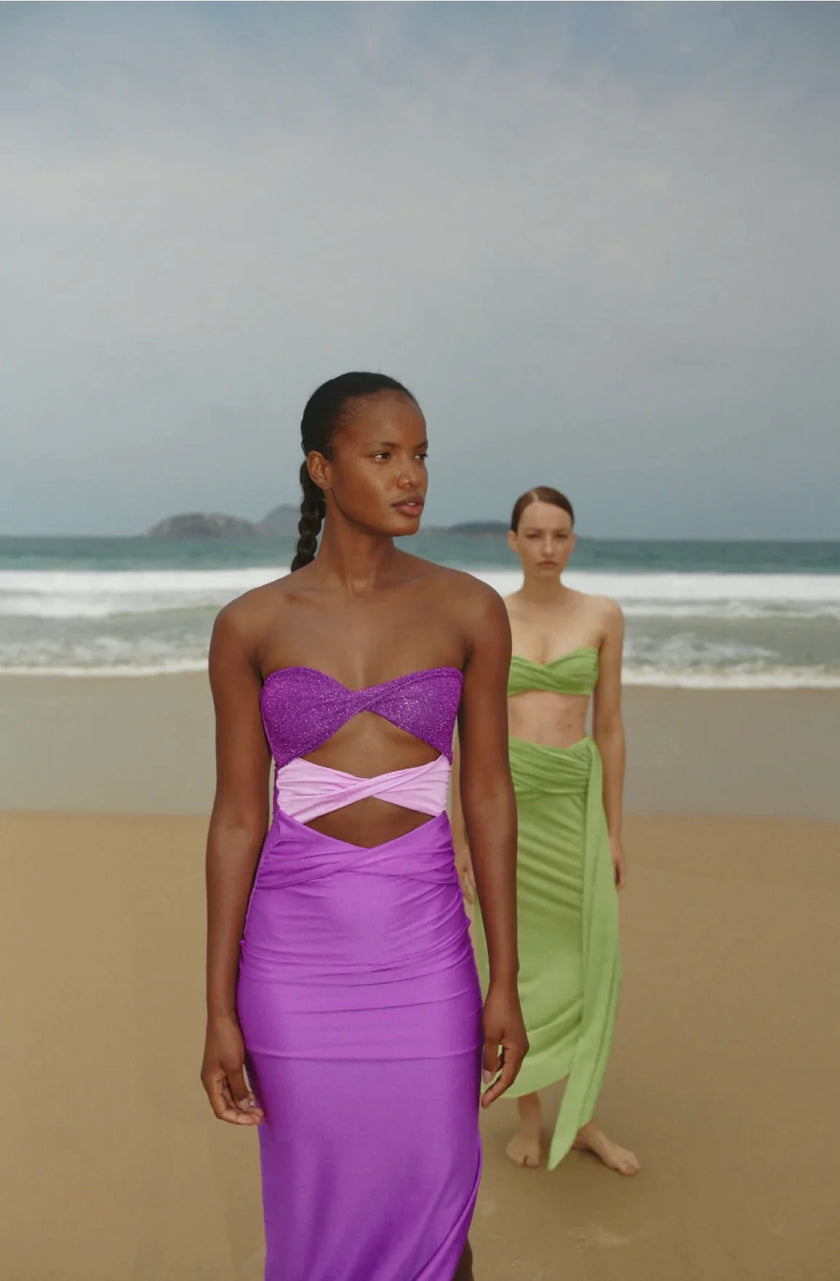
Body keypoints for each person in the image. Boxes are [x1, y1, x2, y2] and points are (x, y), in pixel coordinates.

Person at [200, 372, 528, 1281]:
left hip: (426, 956)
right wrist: (219, 1006)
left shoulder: (469, 608)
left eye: (420, 454)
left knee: (436, 1205)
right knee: (315, 1208)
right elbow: (235, 820)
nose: (410, 474)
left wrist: (506, 977)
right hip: (292, 965)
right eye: (383, 454)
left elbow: (490, 798)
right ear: (321, 467)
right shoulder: (250, 624)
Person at [453, 486, 639, 1176]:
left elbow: (611, 726)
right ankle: (529, 1112)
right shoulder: (487, 615)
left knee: (590, 963)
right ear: (512, 540)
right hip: (506, 803)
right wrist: (462, 836)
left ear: (573, 539)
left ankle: (583, 1117)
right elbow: (468, 735)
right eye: (534, 535)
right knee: (516, 963)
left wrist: (614, 830)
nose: (548, 548)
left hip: (574, 804)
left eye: (560, 534)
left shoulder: (602, 615)